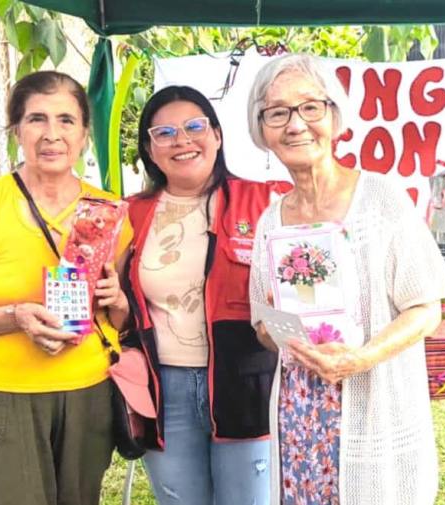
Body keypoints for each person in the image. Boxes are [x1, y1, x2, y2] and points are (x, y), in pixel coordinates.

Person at [0, 70, 132, 505]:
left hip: (87, 394)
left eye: (66, 120)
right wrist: (15, 317)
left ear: (84, 134)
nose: (52, 134)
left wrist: (118, 301)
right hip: (3, 398)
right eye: (37, 119)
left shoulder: (108, 212)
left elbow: (119, 320)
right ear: (17, 130)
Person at [247, 54, 445, 505]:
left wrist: (361, 357)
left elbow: (426, 307)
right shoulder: (271, 221)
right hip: (301, 414)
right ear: (262, 129)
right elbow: (262, 328)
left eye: (310, 107)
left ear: (334, 116)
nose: (295, 125)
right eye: (277, 112)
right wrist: (279, 325)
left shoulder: (380, 198)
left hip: (375, 403)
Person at [123, 85, 291, 505]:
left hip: (247, 382)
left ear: (216, 135)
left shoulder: (267, 202)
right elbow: (119, 310)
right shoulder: (129, 214)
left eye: (194, 127)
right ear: (150, 149)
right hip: (164, 388)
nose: (181, 140)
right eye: (164, 133)